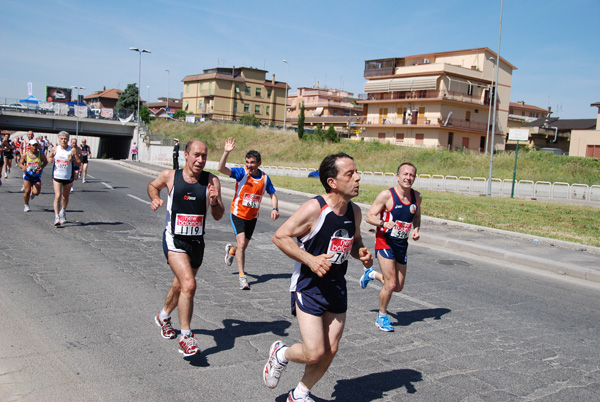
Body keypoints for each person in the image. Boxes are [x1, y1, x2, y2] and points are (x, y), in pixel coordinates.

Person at [264, 153, 373, 402]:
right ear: (332, 182)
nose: (358, 177)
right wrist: (311, 260)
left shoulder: (354, 212)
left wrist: (361, 253)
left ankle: (300, 393)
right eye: (350, 174)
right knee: (314, 352)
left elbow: (354, 242)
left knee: (330, 350)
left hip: (336, 286)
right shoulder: (315, 208)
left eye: (357, 172)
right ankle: (281, 354)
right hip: (309, 286)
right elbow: (280, 236)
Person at [148, 140, 225, 357]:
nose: (200, 160)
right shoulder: (170, 176)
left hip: (196, 242)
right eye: (196, 155)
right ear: (186, 155)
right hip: (174, 240)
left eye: (204, 156)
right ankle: (186, 337)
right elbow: (152, 185)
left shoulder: (212, 180)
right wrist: (155, 198)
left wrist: (214, 201)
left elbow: (218, 216)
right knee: (189, 285)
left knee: (179, 286)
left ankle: (163, 316)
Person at [359, 162, 421, 332]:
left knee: (399, 286)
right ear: (398, 176)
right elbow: (369, 217)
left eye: (412, 175)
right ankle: (381, 316)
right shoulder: (386, 195)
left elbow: (416, 216)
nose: (408, 178)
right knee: (391, 283)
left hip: (401, 245)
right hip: (384, 242)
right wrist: (384, 223)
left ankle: (371, 274)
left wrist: (416, 229)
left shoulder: (417, 197)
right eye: (405, 174)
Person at [217, 137, 279, 290]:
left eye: (252, 163)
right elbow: (221, 169)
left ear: (259, 163)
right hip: (238, 214)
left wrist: (275, 208)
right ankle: (242, 277)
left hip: (252, 218)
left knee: (241, 246)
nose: (249, 165)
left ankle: (231, 251)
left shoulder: (265, 178)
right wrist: (226, 152)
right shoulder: (241, 173)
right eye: (247, 162)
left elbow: (273, 194)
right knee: (242, 243)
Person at [47, 131, 81, 226]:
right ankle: (56, 216)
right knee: (57, 196)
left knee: (65, 197)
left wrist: (72, 160)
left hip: (67, 176)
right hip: (57, 176)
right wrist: (50, 159)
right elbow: (49, 158)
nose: (63, 140)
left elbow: (79, 163)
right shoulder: (55, 149)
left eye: (65, 139)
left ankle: (63, 211)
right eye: (61, 139)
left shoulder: (72, 150)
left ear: (68, 140)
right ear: (59, 139)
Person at [19, 139, 48, 212]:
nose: (34, 147)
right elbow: (20, 164)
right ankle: (26, 205)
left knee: (36, 193)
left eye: (35, 145)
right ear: (29, 146)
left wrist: (42, 167)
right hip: (27, 175)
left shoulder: (40, 154)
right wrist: (23, 167)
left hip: (37, 176)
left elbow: (45, 162)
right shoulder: (25, 155)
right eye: (33, 145)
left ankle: (33, 193)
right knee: (27, 191)